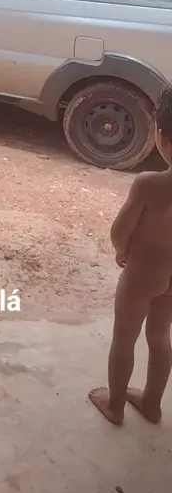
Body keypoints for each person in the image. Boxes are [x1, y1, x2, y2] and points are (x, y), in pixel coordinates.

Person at [89, 86, 172, 425]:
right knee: (160, 336)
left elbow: (119, 231)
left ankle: (116, 405)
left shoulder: (149, 184)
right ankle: (152, 403)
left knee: (125, 336)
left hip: (143, 272)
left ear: (161, 136)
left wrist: (122, 250)